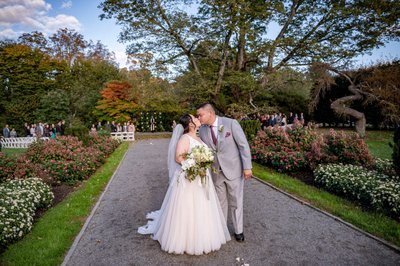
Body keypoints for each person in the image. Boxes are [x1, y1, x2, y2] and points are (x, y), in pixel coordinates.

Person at [138, 114, 230, 255]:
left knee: (202, 206)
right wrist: (194, 165)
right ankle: (185, 240)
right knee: (187, 208)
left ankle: (203, 237)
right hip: (190, 178)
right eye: (195, 118)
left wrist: (205, 162)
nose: (198, 118)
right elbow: (178, 157)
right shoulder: (184, 138)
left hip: (202, 178)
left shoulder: (199, 137)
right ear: (191, 124)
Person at [196, 103, 252, 242]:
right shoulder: (202, 130)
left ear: (210, 113)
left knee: (236, 202)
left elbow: (243, 146)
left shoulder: (231, 123)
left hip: (233, 170)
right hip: (216, 172)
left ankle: (238, 230)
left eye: (200, 115)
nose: (199, 117)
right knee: (220, 202)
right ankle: (222, 229)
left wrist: (247, 167)